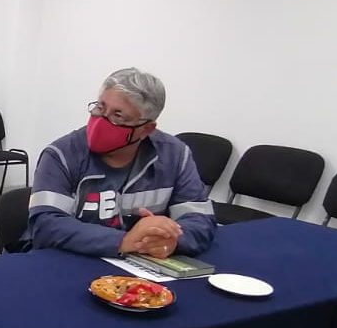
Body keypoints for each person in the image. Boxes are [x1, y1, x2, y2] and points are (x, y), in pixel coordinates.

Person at [25, 67, 215, 258]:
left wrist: (171, 240)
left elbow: (200, 219)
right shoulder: (62, 154)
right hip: (69, 261)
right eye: (100, 107)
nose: (101, 121)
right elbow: (45, 225)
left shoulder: (175, 155)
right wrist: (123, 241)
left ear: (146, 129)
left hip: (140, 265)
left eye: (118, 116)